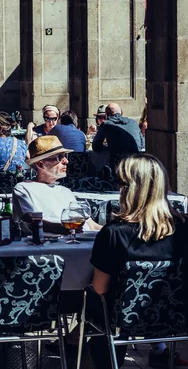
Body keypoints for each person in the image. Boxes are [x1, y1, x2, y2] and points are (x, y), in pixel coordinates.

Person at [65, 154, 188, 368]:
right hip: (175, 317)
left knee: (97, 306)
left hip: (122, 320)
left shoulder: (114, 234)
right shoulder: (184, 229)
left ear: (127, 188)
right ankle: (159, 351)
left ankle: (80, 348)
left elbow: (100, 289)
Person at [12, 135, 101, 233]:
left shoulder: (65, 191)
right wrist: (63, 229)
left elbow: (90, 224)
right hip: (53, 244)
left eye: (65, 156)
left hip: (81, 239)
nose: (66, 161)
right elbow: (29, 220)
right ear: (40, 164)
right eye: (59, 157)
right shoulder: (23, 189)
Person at [92, 103, 144, 168]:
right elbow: (142, 144)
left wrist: (110, 147)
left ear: (106, 115)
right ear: (122, 112)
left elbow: (96, 146)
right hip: (136, 162)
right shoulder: (133, 123)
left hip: (118, 164)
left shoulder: (106, 124)